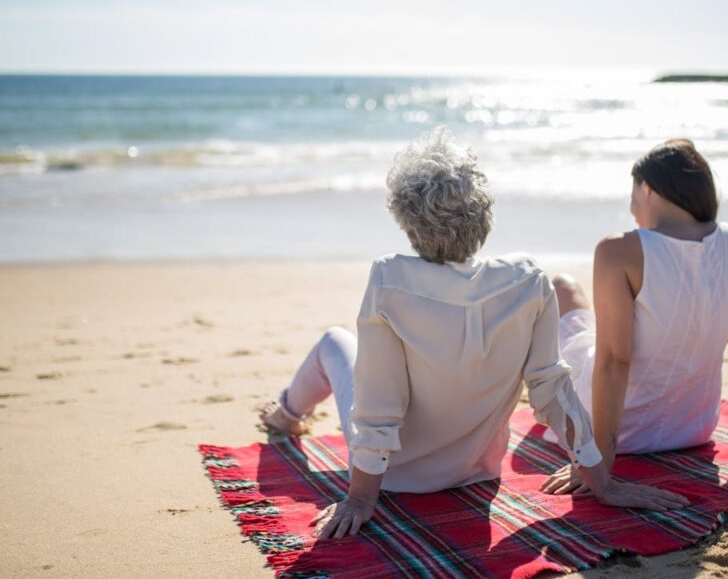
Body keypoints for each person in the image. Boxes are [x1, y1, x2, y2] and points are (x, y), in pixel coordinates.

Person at [260, 127, 688, 539]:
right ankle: (286, 415)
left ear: (407, 220)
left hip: (395, 477)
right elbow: (552, 392)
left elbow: (379, 407)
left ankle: (286, 415)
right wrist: (604, 483)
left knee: (334, 342)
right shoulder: (528, 280)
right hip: (478, 470)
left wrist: (359, 498)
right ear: (484, 214)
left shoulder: (390, 280)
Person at [540, 138, 728, 495]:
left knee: (560, 287)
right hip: (692, 428)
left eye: (632, 194)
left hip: (614, 428)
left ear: (647, 188)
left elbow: (614, 362)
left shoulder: (617, 249)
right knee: (589, 325)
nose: (632, 208)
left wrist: (600, 463)